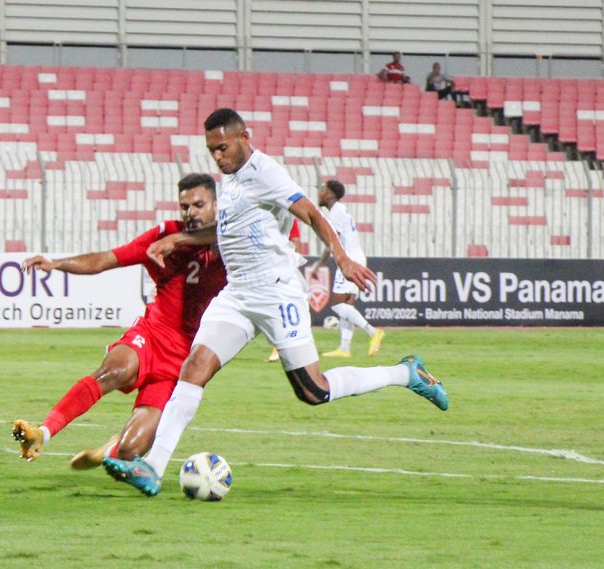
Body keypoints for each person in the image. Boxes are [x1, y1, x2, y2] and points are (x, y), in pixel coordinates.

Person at [102, 108, 449, 496]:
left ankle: (407, 374)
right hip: (238, 295)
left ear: (244, 137)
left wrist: (342, 258)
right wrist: (181, 239)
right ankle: (151, 467)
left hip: (277, 293)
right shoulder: (231, 179)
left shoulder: (266, 172)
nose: (217, 156)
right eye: (211, 150)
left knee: (312, 390)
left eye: (223, 148)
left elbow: (311, 213)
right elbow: (228, 231)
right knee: (195, 366)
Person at [11, 173, 227, 469]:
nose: (190, 213)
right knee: (115, 370)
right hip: (151, 335)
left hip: (184, 359)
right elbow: (106, 259)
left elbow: (237, 232)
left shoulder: (231, 242)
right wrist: (56, 263)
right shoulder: (163, 236)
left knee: (130, 452)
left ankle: (113, 448)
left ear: (216, 204)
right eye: (185, 207)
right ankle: (42, 433)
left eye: (198, 205)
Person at [316, 179, 385, 358]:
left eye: (323, 189)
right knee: (347, 305)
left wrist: (319, 264)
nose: (320, 192)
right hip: (357, 257)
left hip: (349, 261)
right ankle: (344, 348)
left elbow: (332, 242)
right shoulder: (340, 210)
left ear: (330, 194)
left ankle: (373, 332)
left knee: (338, 305)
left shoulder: (334, 214)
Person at [267, 219, 303, 363]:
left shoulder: (287, 214)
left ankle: (282, 346)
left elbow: (295, 242)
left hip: (282, 269)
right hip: (269, 267)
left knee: (282, 307)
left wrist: (292, 264)